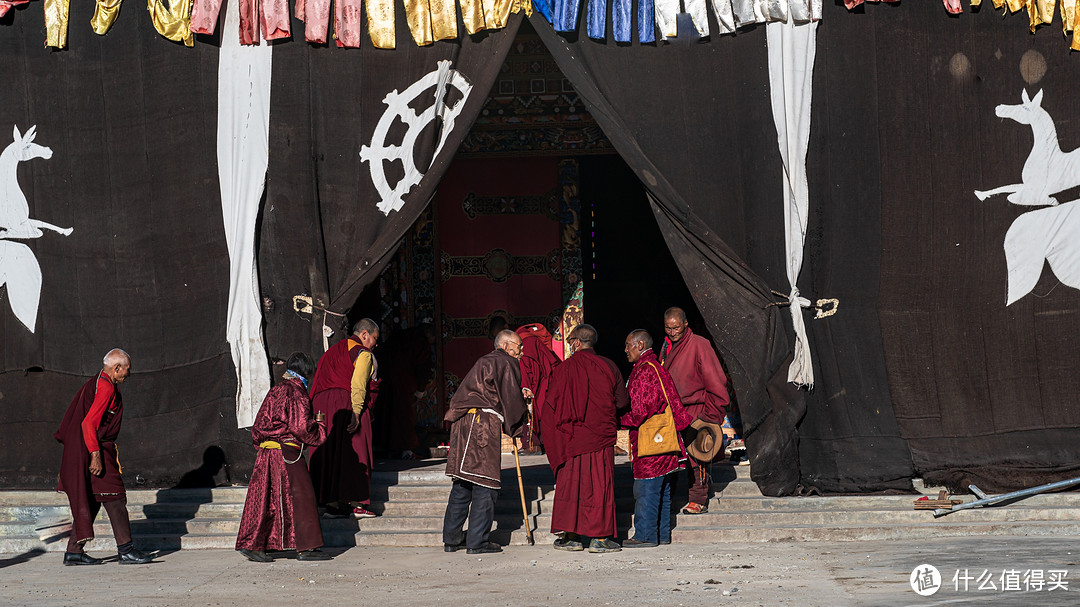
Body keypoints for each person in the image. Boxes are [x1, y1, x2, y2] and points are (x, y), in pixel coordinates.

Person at [54, 349, 153, 565]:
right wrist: (95, 456)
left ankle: (74, 551)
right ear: (116, 368)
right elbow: (88, 423)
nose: (129, 373)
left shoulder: (98, 381)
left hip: (89, 447)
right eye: (127, 369)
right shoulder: (106, 387)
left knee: (95, 499)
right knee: (115, 496)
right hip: (95, 449)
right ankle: (126, 550)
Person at [235, 352, 331, 563]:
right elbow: (301, 428)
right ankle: (306, 547)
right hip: (287, 454)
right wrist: (320, 426)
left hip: (267, 453)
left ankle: (256, 545)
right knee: (302, 498)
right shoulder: (296, 392)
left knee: (266, 501)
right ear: (306, 373)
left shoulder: (275, 390)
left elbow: (259, 425)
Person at [541, 324, 628, 553]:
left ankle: (571, 538)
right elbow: (621, 402)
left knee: (571, 486)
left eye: (571, 341)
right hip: (599, 436)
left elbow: (550, 406)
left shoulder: (563, 369)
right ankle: (599, 539)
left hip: (572, 439)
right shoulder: (609, 366)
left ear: (577, 343)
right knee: (600, 485)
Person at [442, 330, 528, 555]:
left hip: (463, 423)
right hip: (482, 424)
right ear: (507, 346)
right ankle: (477, 542)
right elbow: (510, 398)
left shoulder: (487, 360)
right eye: (519, 345)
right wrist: (517, 427)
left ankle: (452, 539)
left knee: (463, 482)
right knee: (485, 482)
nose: (521, 351)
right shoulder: (506, 361)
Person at [620, 330, 694, 547]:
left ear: (640, 344)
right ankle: (661, 534)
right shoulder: (657, 367)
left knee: (647, 489)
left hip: (652, 442)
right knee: (662, 491)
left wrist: (619, 419)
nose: (625, 350)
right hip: (666, 441)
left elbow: (641, 409)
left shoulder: (645, 371)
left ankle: (645, 535)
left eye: (628, 345)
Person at [659, 307, 730, 514]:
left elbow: (716, 381)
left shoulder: (699, 345)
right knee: (671, 456)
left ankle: (698, 499)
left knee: (697, 454)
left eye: (676, 328)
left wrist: (711, 415)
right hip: (673, 411)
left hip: (696, 410)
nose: (672, 332)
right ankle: (668, 498)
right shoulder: (666, 346)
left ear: (685, 324)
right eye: (668, 328)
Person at [308, 318, 381, 519]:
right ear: (364, 334)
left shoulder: (331, 351)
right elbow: (359, 384)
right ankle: (358, 504)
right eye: (374, 338)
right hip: (347, 402)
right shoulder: (362, 353)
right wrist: (357, 412)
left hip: (323, 407)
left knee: (331, 452)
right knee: (357, 450)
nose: (375, 344)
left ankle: (332, 505)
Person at [515, 322, 560, 455]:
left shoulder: (524, 345)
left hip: (534, 382)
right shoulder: (534, 340)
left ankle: (532, 445)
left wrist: (524, 386)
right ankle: (543, 443)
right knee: (544, 410)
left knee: (526, 405)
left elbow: (527, 371)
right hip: (545, 383)